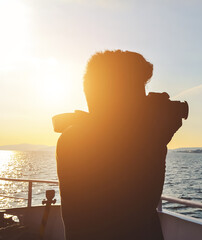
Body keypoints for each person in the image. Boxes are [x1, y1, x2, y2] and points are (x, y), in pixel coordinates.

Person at [55, 50, 184, 240]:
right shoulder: (81, 139)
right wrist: (157, 133)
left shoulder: (72, 136)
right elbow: (136, 202)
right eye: (139, 92)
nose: (143, 100)